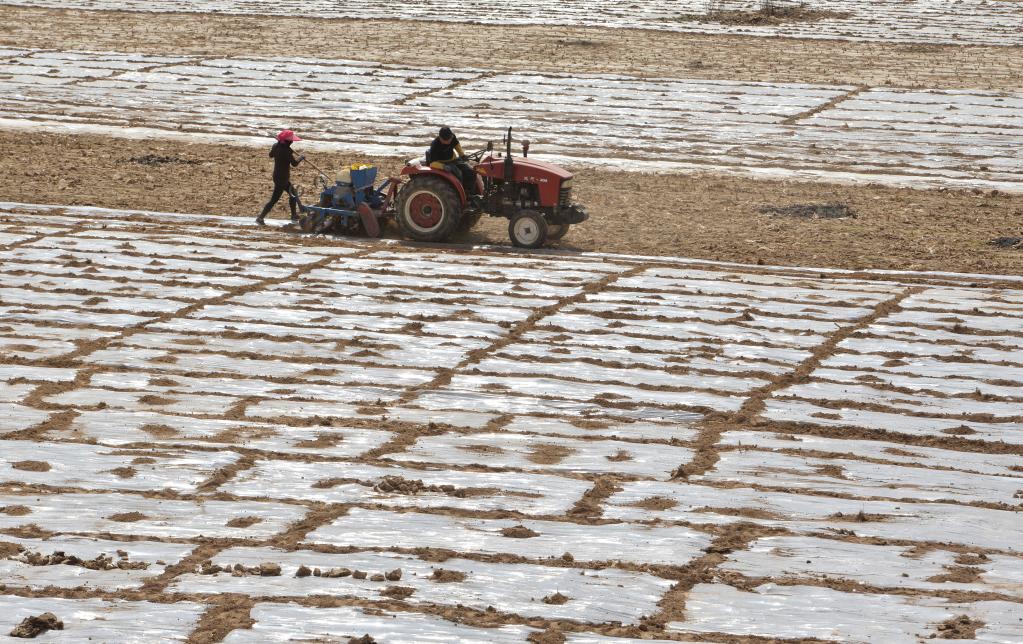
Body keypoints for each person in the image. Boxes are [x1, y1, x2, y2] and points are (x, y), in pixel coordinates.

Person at [256, 129, 305, 226]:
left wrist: (287, 151)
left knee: (293, 194)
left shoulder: (276, 146)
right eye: (291, 141)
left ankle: (294, 215)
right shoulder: (286, 151)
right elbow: (294, 164)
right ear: (287, 142)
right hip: (282, 179)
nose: (292, 142)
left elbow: (271, 155)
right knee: (274, 200)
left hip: (278, 176)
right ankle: (260, 217)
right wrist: (301, 158)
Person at [428, 126, 477, 199]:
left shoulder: (452, 137)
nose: (449, 141)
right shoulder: (435, 145)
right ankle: (460, 196)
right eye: (447, 140)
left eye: (450, 138)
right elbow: (432, 163)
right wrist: (443, 167)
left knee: (470, 172)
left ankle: (469, 192)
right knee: (458, 174)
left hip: (453, 160)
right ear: (440, 138)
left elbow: (457, 145)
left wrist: (462, 155)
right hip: (442, 163)